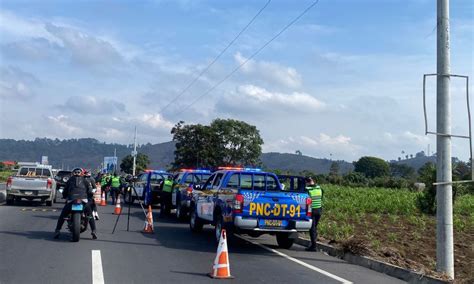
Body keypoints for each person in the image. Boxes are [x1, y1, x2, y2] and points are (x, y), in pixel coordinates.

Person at [54, 168, 97, 240]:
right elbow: (90, 191)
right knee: (90, 215)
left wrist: (64, 196)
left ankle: (57, 230)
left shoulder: (69, 180)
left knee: (63, 215)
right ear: (82, 173)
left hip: (71, 200)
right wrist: (90, 196)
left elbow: (65, 191)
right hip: (83, 201)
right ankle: (94, 231)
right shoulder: (85, 181)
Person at [305, 177, 322, 251]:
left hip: (312, 210)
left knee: (312, 228)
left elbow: (306, 200)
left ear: (307, 182)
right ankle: (313, 243)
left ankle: (313, 246)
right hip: (319, 210)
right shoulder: (319, 188)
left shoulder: (307, 190)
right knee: (315, 227)